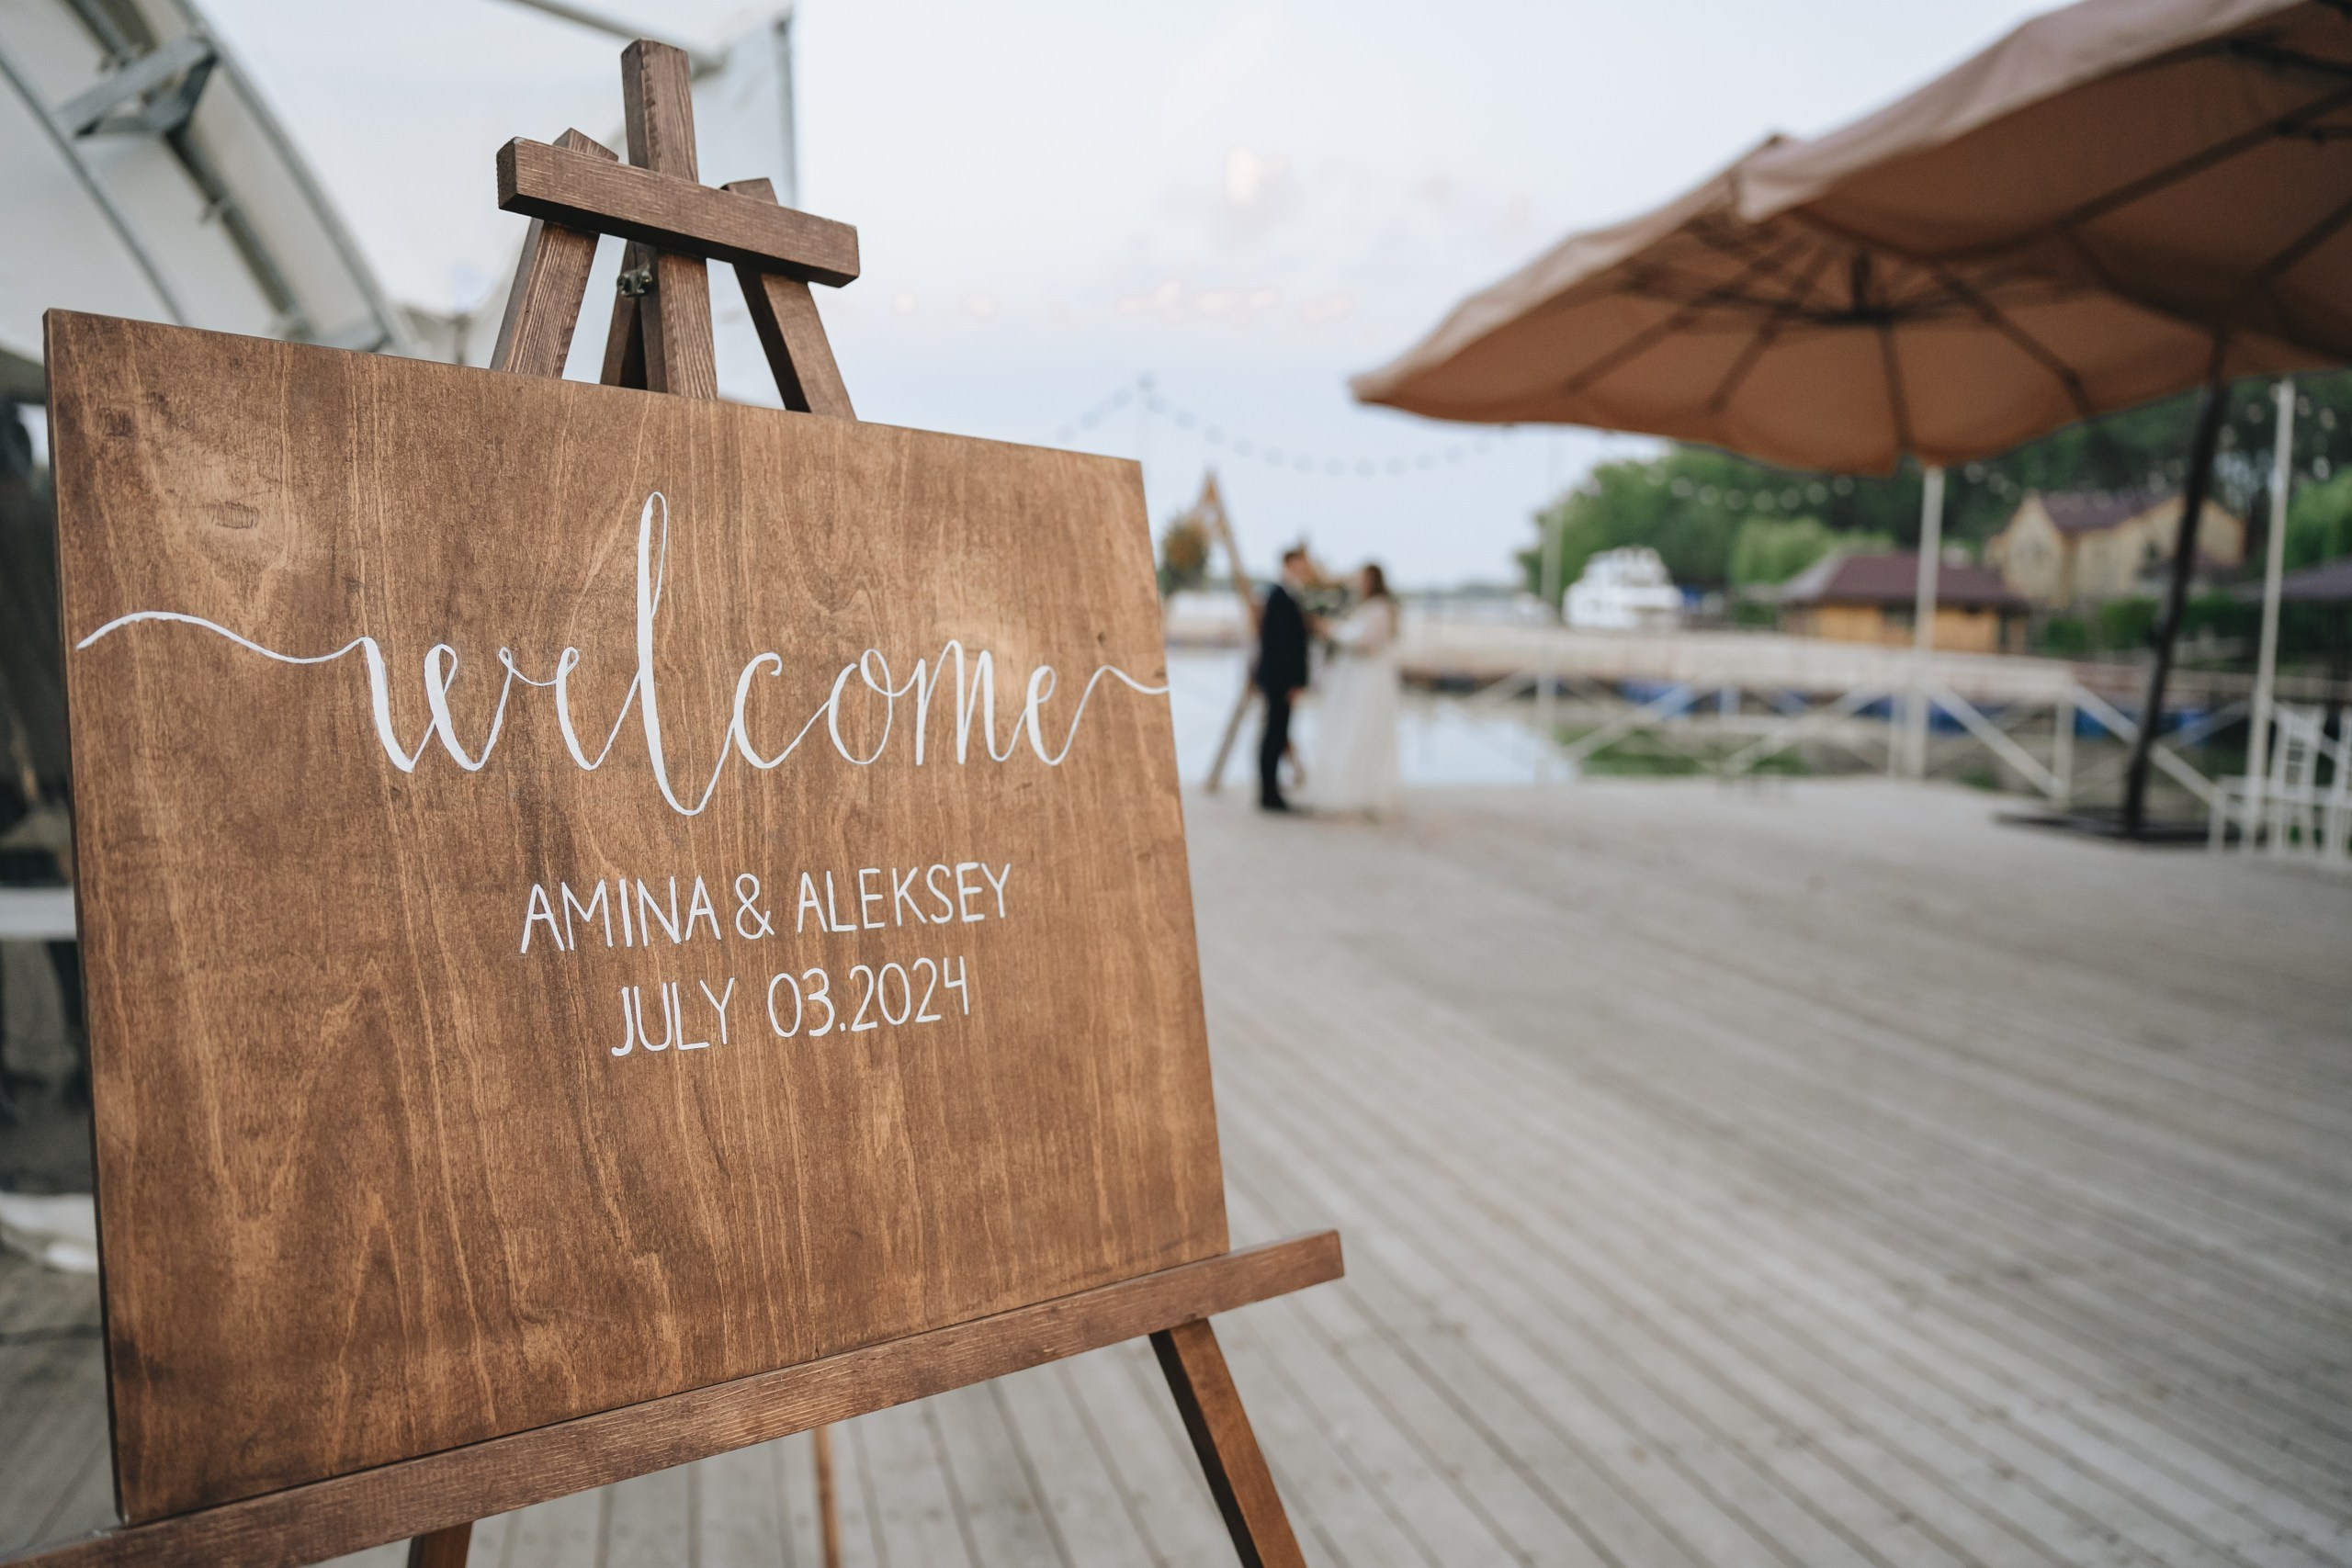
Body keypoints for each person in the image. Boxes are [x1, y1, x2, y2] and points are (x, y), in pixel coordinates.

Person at [1303, 563, 1401, 816]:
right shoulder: (1368, 607)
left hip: (1368, 678)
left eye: (1362, 579)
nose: (1358, 584)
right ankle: (1347, 785)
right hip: (1356, 676)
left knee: (1362, 729)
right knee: (1347, 728)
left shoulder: (1380, 608)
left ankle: (1364, 790)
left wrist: (1331, 630)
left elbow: (1366, 642)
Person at [1254, 547, 1316, 811]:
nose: (1304, 568)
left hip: (1279, 678)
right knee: (1274, 735)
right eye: (1300, 563)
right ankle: (1269, 794)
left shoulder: (1289, 595)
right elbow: (1280, 645)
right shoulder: (1279, 596)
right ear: (1289, 564)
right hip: (1280, 679)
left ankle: (1271, 791)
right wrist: (1292, 681)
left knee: (1278, 734)